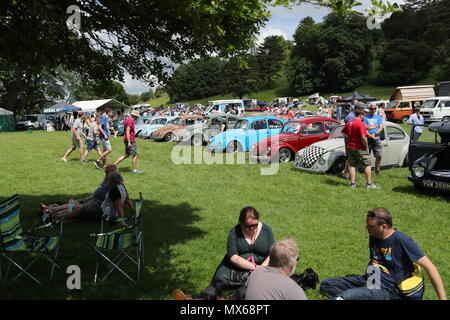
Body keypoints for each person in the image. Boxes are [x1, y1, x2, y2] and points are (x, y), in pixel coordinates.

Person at [320, 208, 447, 300]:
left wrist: (443, 298)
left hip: (390, 290)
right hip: (370, 281)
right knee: (327, 284)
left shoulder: (402, 241)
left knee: (348, 296)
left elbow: (430, 268)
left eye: (370, 226)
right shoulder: (374, 235)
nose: (366, 228)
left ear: (384, 227)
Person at [173, 206, 275, 300]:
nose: (252, 228)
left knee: (250, 286)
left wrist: (261, 269)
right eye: (248, 226)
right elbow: (233, 257)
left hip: (259, 269)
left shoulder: (267, 231)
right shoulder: (234, 232)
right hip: (233, 267)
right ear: (241, 223)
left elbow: (272, 254)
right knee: (219, 281)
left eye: (254, 225)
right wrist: (254, 267)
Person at [40, 164, 117, 223]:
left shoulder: (116, 183)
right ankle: (52, 211)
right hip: (93, 198)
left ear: (112, 171)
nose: (105, 171)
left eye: (107, 171)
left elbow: (121, 200)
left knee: (77, 208)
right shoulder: (108, 177)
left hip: (98, 203)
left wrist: (122, 218)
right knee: (73, 203)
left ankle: (53, 215)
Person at [341, 108, 379, 189]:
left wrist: (350, 138)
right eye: (364, 115)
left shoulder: (349, 123)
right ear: (361, 115)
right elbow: (363, 137)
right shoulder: (360, 124)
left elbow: (343, 132)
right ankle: (369, 184)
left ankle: (352, 184)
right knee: (367, 164)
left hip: (349, 146)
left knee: (351, 164)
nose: (365, 117)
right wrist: (365, 146)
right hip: (359, 147)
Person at [364, 103, 384, 175]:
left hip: (376, 138)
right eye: (371, 109)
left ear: (376, 109)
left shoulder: (378, 117)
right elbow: (364, 128)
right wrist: (369, 135)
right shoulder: (365, 118)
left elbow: (381, 128)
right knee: (366, 156)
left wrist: (374, 134)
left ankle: (377, 170)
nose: (373, 110)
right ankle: (366, 171)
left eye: (374, 109)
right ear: (369, 109)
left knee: (379, 155)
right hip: (367, 138)